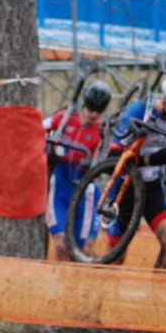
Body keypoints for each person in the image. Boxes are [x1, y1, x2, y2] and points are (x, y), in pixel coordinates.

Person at [106, 72, 166, 269]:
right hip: (126, 190)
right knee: (116, 258)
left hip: (152, 189)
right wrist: (150, 159)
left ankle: (160, 295)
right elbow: (113, 159)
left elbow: (163, 145)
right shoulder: (138, 112)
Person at [43, 80, 111, 261]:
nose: (93, 114)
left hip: (86, 190)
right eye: (90, 108)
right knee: (61, 245)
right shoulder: (64, 118)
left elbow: (105, 160)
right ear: (84, 105)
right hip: (60, 185)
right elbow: (39, 127)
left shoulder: (102, 132)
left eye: (98, 111)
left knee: (83, 251)